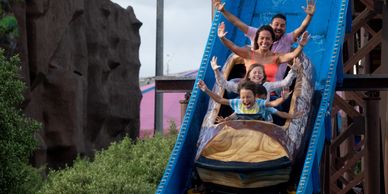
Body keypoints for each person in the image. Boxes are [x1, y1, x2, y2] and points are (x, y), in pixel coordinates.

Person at [212, 0, 315, 81]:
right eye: (276, 24)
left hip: (273, 85)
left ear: (271, 41)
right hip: (253, 81)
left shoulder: (284, 43)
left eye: (282, 26)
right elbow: (237, 23)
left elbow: (302, 28)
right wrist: (223, 11)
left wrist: (309, 16)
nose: (279, 27)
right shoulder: (259, 34)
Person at [218, 23, 309, 82]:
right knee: (232, 84)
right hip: (249, 91)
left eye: (268, 38)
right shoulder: (249, 53)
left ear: (272, 41)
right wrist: (222, 38)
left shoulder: (276, 57)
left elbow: (292, 55)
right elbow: (233, 47)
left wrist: (300, 45)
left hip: (269, 92)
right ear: (257, 40)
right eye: (262, 38)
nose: (264, 41)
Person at [197, 80, 302, 121]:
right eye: (243, 97)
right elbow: (220, 99)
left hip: (263, 128)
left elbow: (274, 105)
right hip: (246, 129)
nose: (245, 100)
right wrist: (206, 90)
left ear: (254, 97)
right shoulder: (237, 103)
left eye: (248, 97)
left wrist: (282, 99)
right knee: (232, 118)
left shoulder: (260, 104)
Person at [210, 56, 302, 100]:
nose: (257, 75)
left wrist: (293, 70)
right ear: (249, 75)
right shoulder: (242, 86)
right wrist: (216, 71)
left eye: (260, 73)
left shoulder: (267, 85)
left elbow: (285, 83)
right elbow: (224, 84)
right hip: (246, 113)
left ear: (263, 76)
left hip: (261, 114)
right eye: (254, 72)